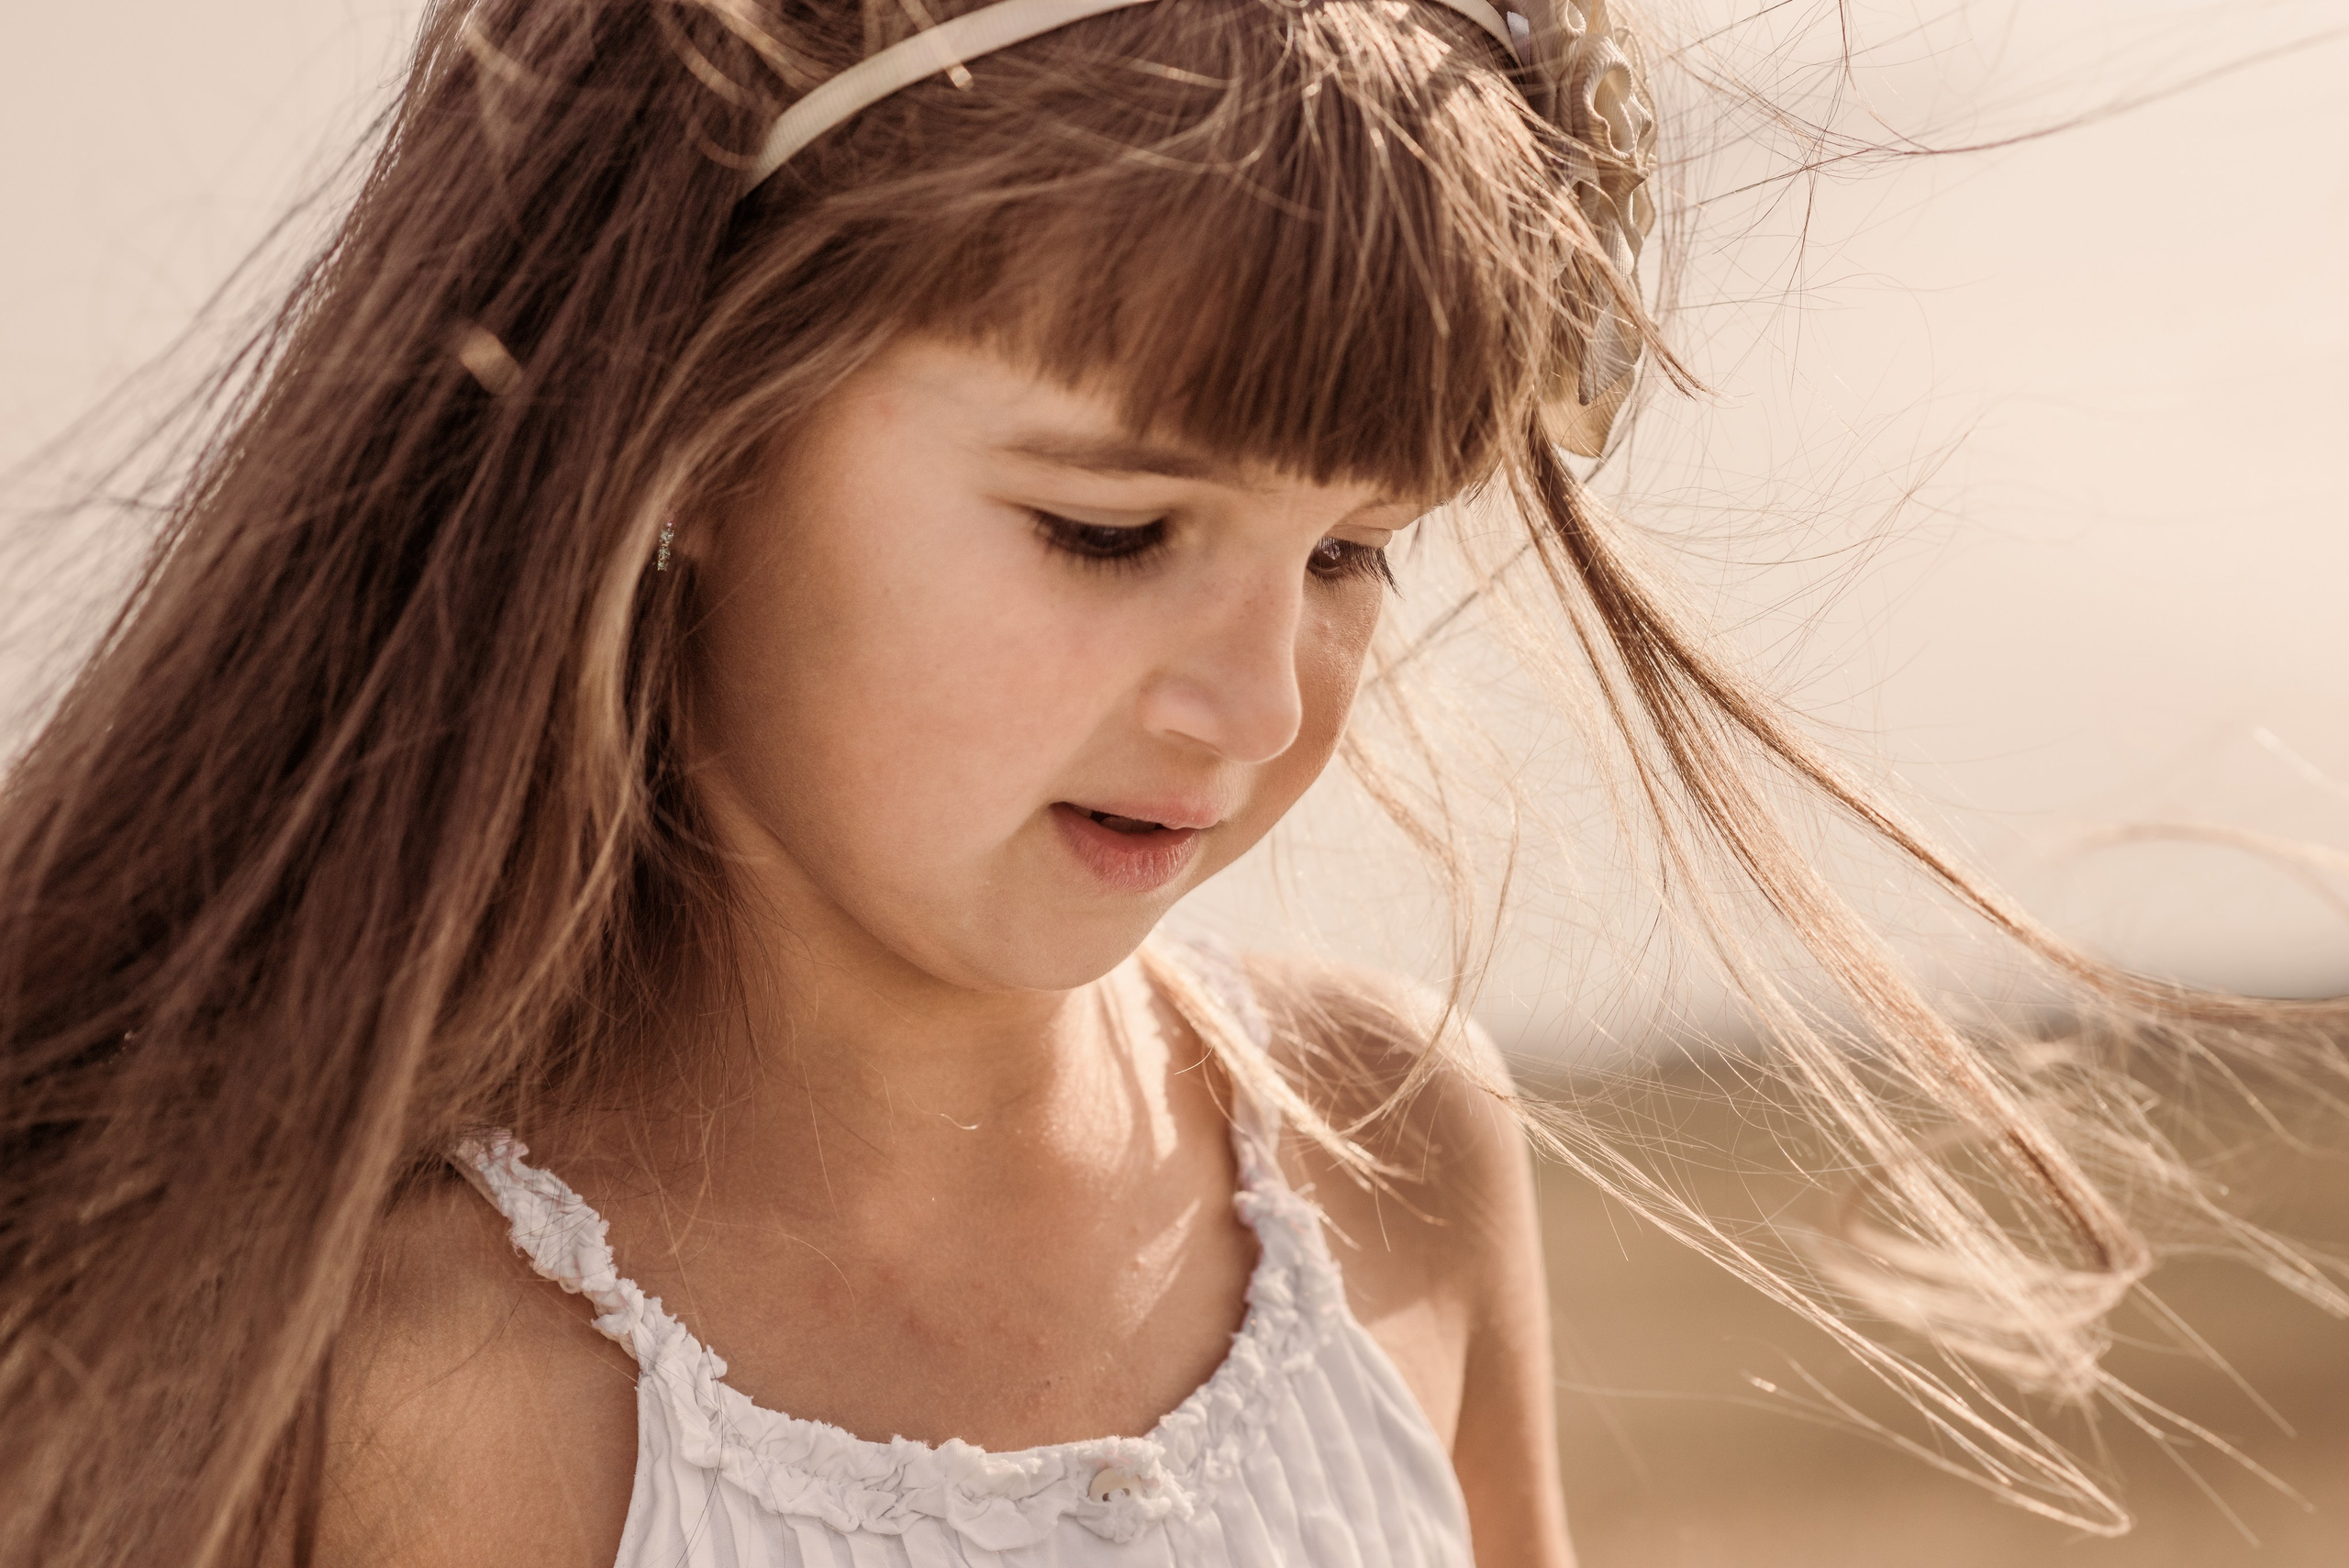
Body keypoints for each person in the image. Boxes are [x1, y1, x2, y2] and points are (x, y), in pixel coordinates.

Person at [2, 1, 2329, 1564]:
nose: (1253, 706)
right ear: (688, 438)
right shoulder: (396, 1359)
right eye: (1107, 531)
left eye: (1350, 555)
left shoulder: (1390, 1157)